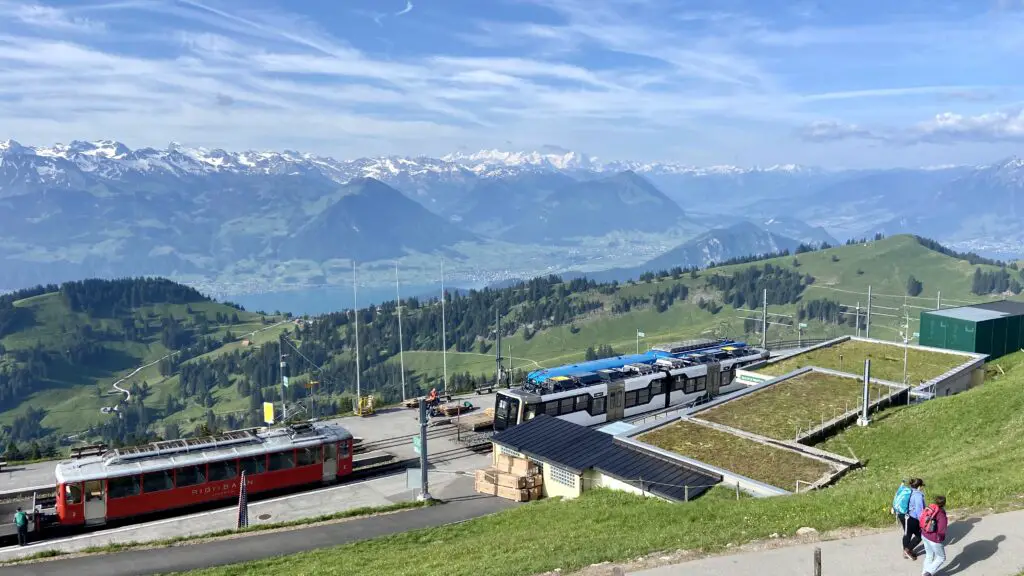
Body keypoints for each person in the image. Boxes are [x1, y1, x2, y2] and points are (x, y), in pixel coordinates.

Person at [920, 495, 948, 576]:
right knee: (941, 558)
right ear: (944, 503)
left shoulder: (931, 507)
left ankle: (924, 573)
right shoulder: (941, 514)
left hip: (924, 534)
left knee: (929, 555)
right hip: (934, 539)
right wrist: (940, 539)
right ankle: (928, 573)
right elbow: (942, 529)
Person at [904, 478, 926, 559]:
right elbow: (919, 510)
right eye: (922, 486)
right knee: (919, 536)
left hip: (906, 516)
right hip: (914, 518)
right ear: (919, 486)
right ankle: (907, 550)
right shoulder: (918, 495)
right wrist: (923, 522)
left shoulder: (909, 491)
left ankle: (906, 551)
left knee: (907, 534)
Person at [892, 479, 913, 551]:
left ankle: (906, 546)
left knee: (906, 530)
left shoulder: (901, 488)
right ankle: (906, 548)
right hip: (905, 514)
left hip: (899, 513)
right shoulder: (910, 492)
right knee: (908, 532)